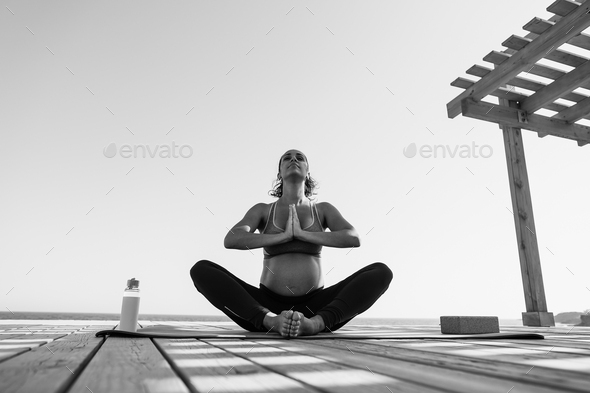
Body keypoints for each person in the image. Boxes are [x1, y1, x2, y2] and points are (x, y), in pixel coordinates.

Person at [190, 149, 392, 337]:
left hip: (317, 306)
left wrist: (303, 234)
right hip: (266, 305)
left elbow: (352, 238)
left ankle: (315, 324)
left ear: (308, 171)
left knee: (381, 272)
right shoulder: (262, 210)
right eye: (287, 158)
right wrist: (282, 237)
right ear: (279, 173)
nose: (293, 159)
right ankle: (270, 321)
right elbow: (232, 239)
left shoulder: (322, 210)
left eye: (299, 157)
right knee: (201, 270)